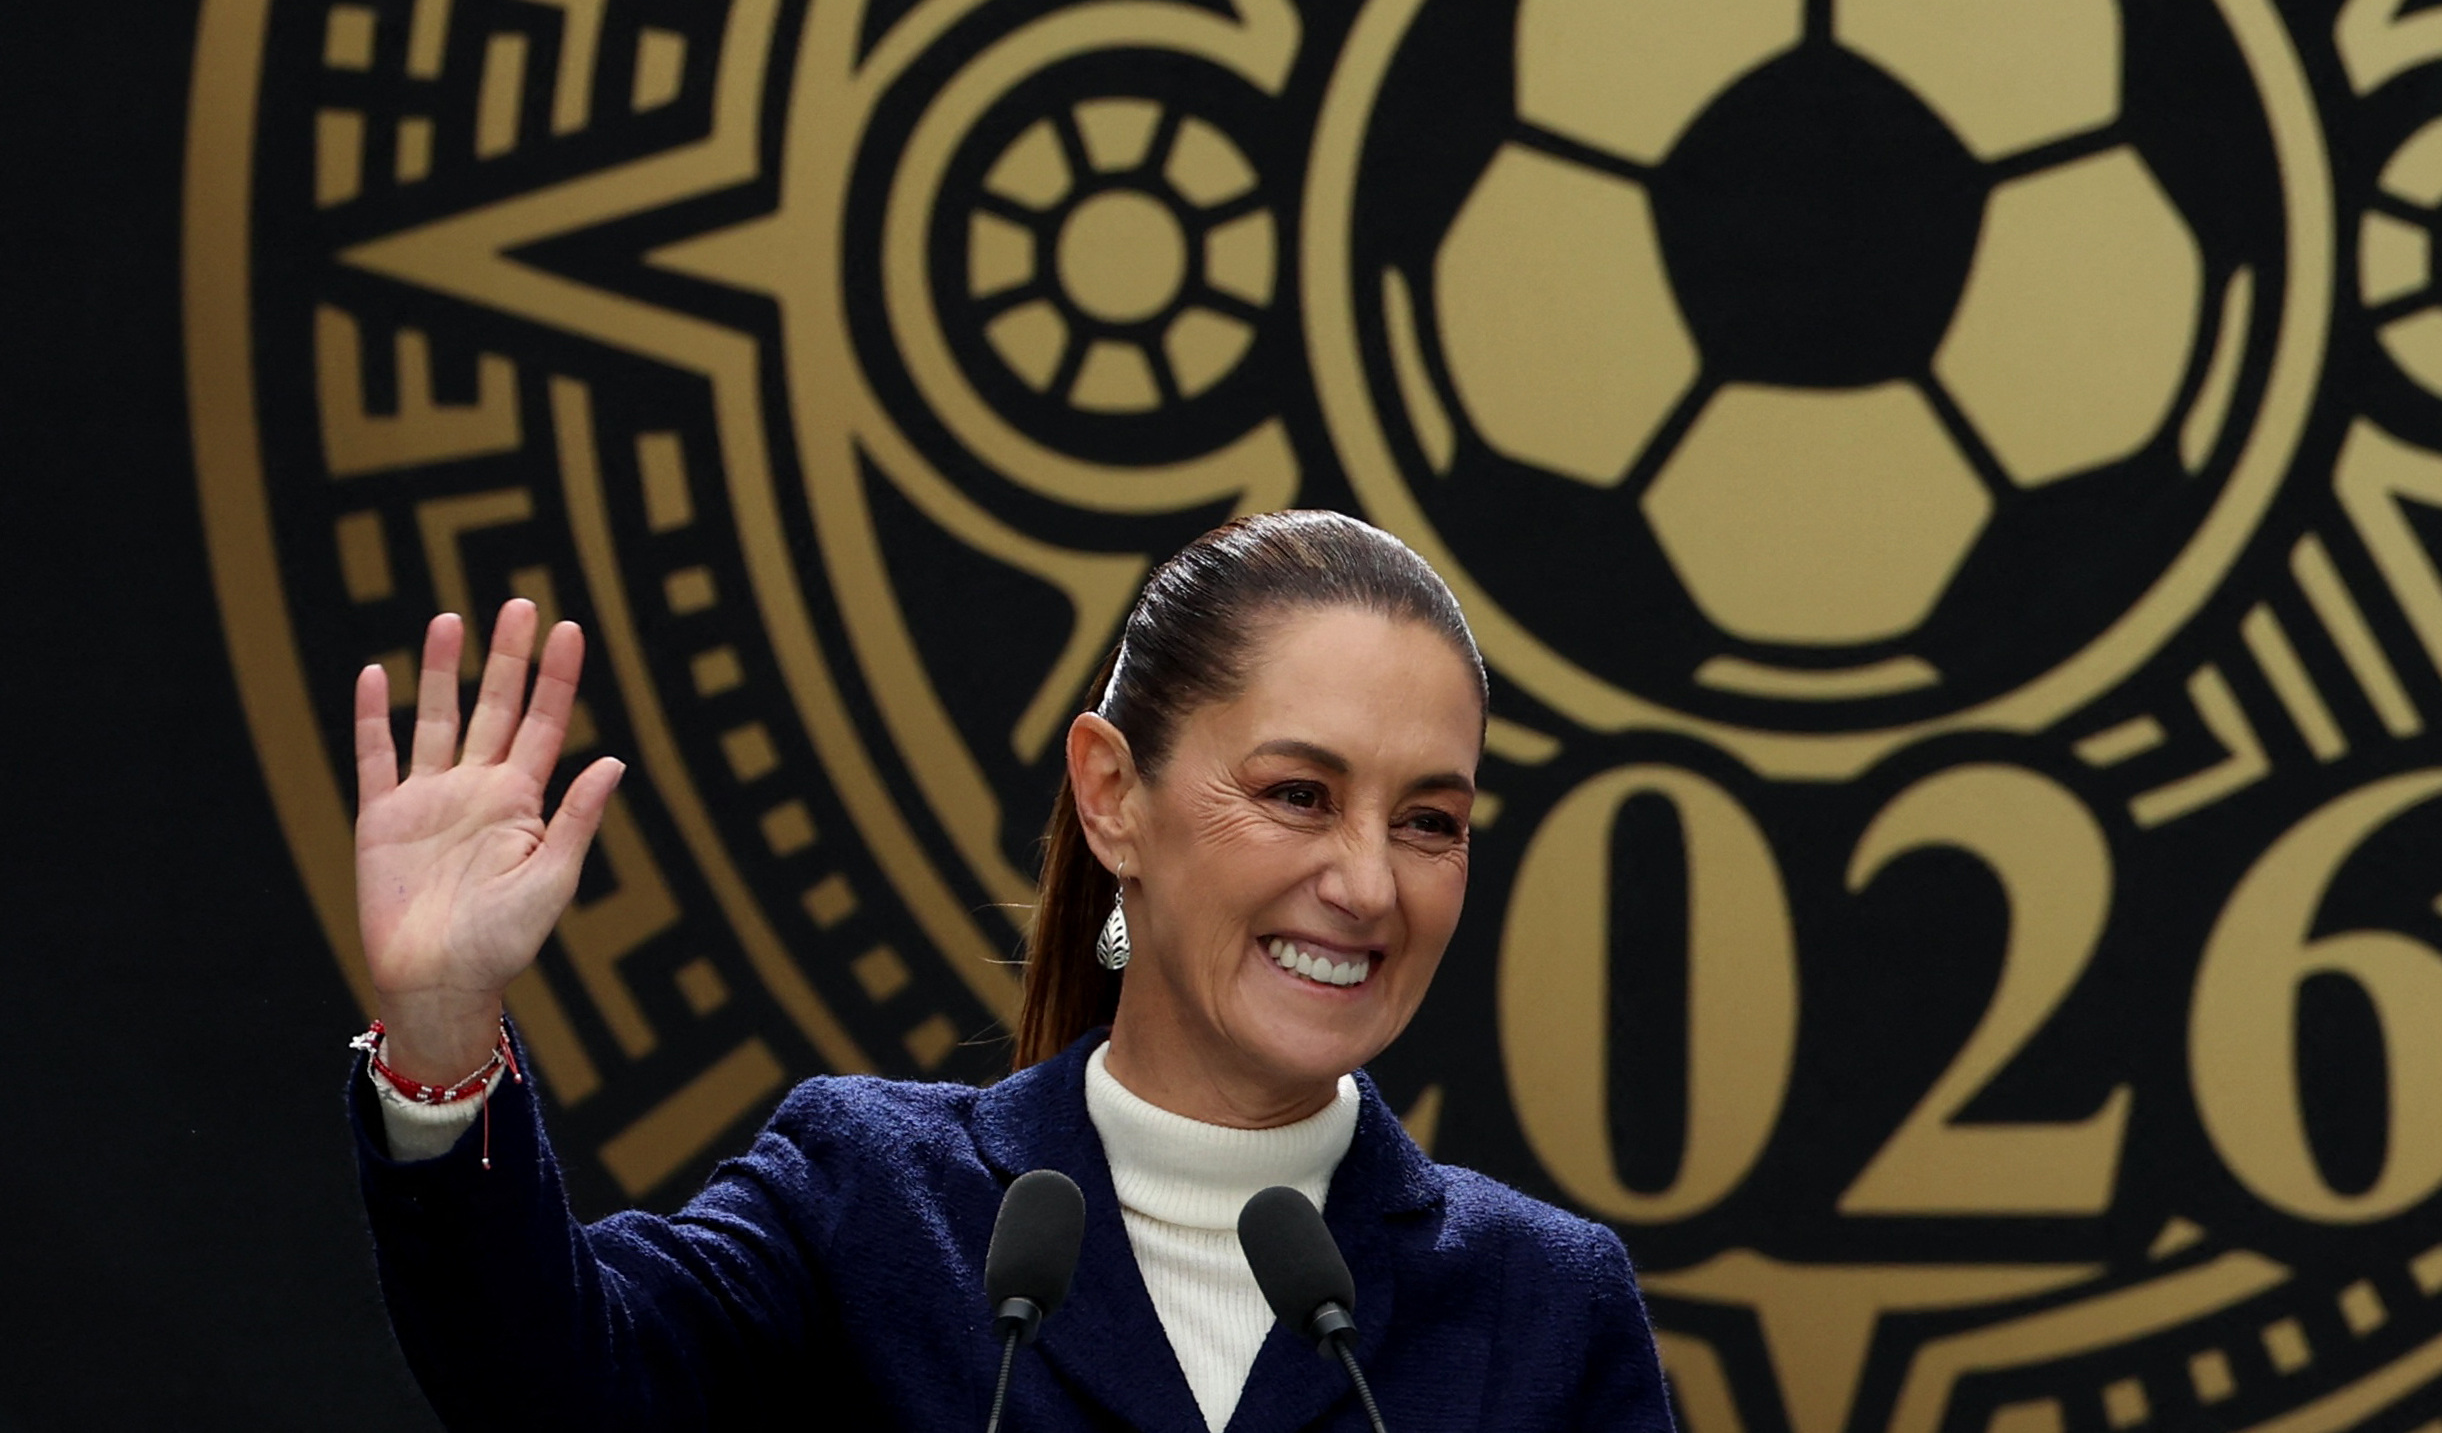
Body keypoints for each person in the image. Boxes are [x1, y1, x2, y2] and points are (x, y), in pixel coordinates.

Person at [347, 509, 1674, 1431]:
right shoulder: (871, 1202)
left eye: (1429, 820)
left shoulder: (1543, 1306)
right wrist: (446, 1027)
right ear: (1111, 795)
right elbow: (560, 1390)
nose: (1370, 881)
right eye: (1298, 792)